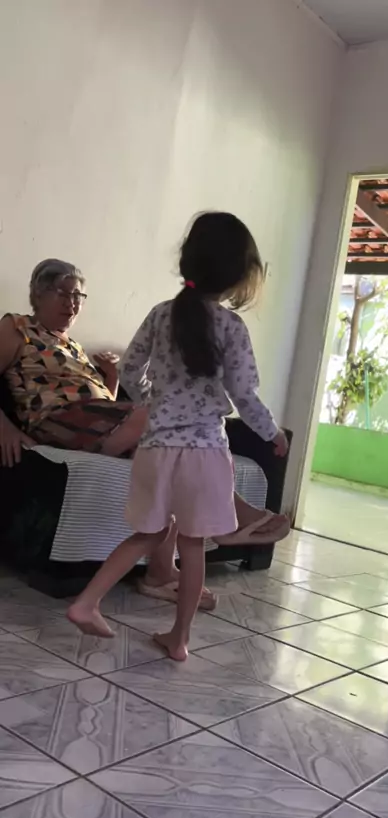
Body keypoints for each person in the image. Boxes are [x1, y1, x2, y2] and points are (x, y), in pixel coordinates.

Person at [0, 259, 290, 609]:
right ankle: (234, 512)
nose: (71, 303)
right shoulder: (17, 327)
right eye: (62, 293)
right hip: (58, 420)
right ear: (37, 294)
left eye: (78, 296)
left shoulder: (73, 346)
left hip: (98, 421)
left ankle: (160, 573)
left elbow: (107, 404)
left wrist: (111, 378)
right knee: (171, 419)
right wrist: (5, 427)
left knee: (165, 457)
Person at [67, 212, 289, 660]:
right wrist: (272, 434)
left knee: (147, 534)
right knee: (192, 544)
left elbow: (131, 369)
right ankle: (179, 640)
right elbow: (244, 394)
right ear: (238, 274)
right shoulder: (231, 327)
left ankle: (86, 602)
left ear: (189, 260)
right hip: (205, 453)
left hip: (155, 448)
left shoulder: (161, 314)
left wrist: (154, 401)